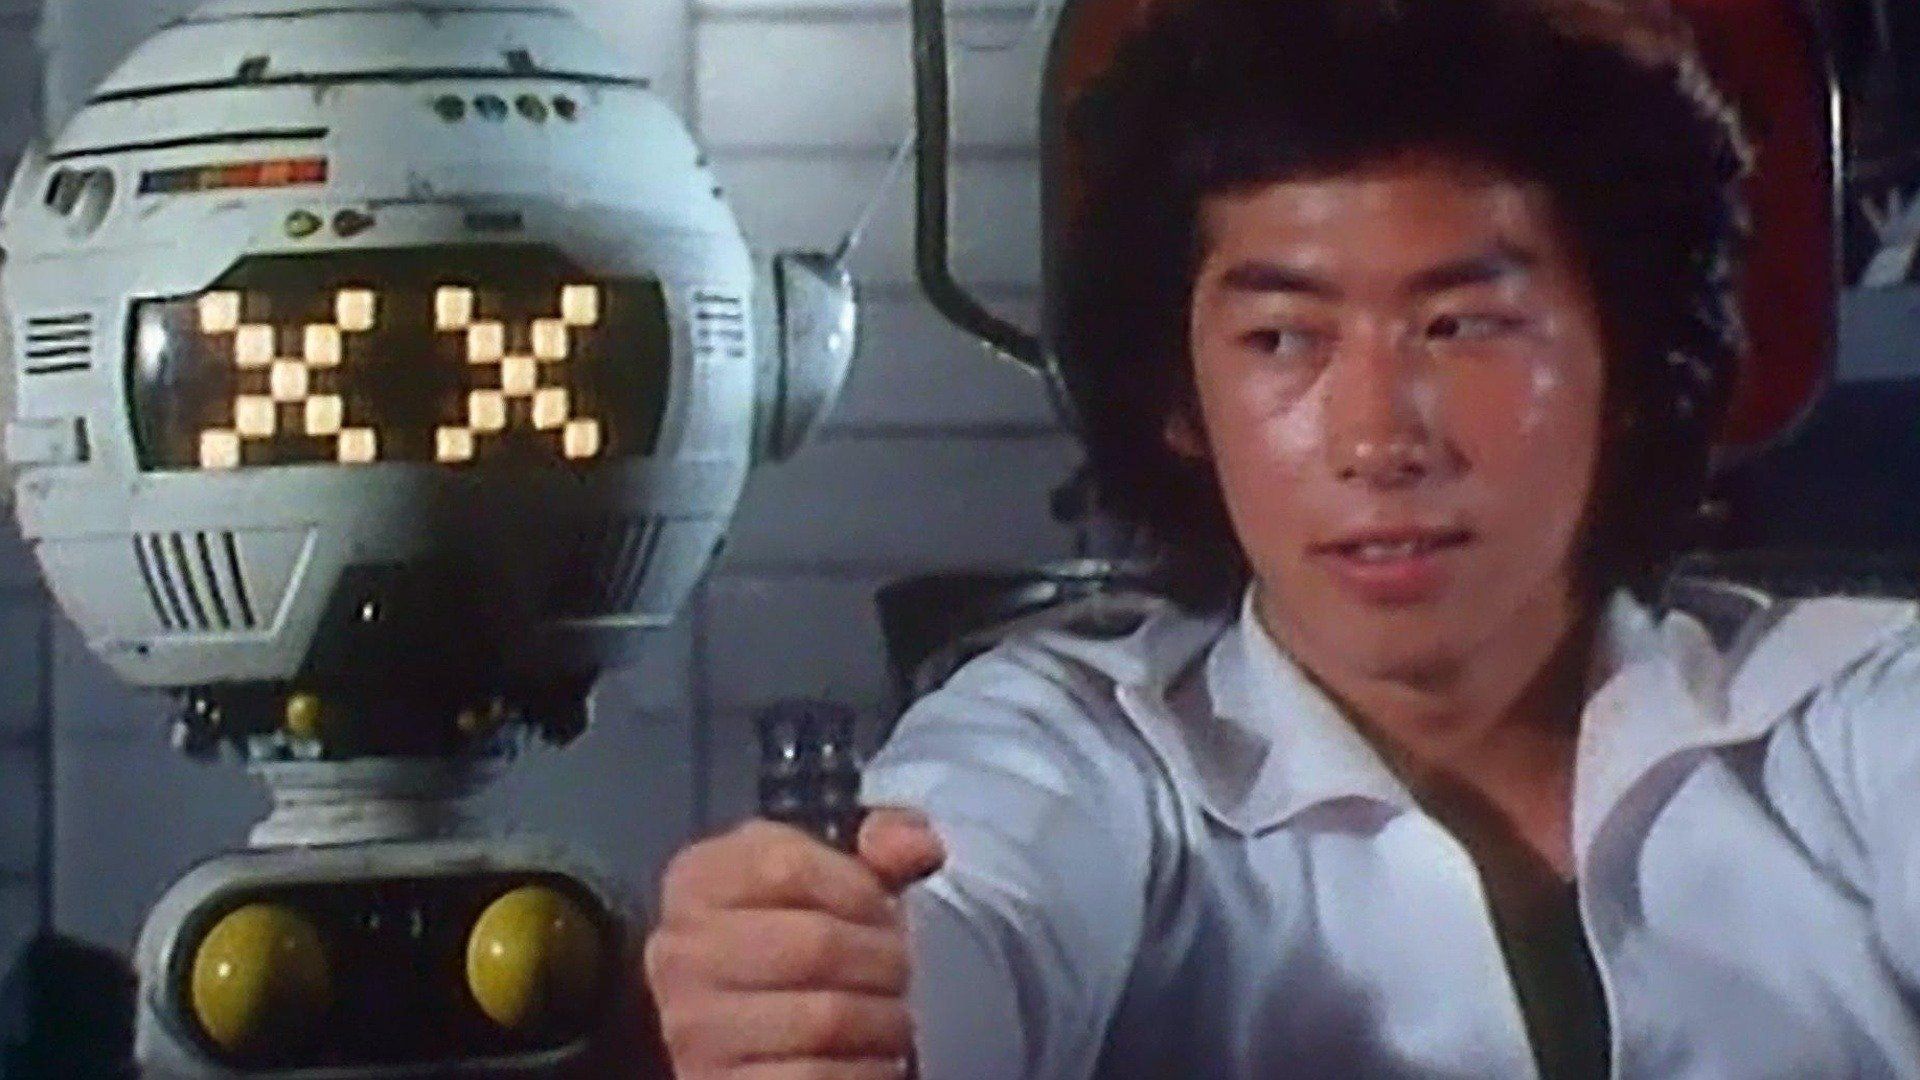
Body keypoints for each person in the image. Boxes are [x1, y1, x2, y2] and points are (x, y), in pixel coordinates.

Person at [641, 0, 1920, 1076]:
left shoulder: (1850, 715)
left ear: (1629, 366)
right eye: (1282, 338)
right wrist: (832, 991)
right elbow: (972, 912)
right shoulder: (1084, 748)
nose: (1379, 438)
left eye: (1463, 326)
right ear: (1180, 398)